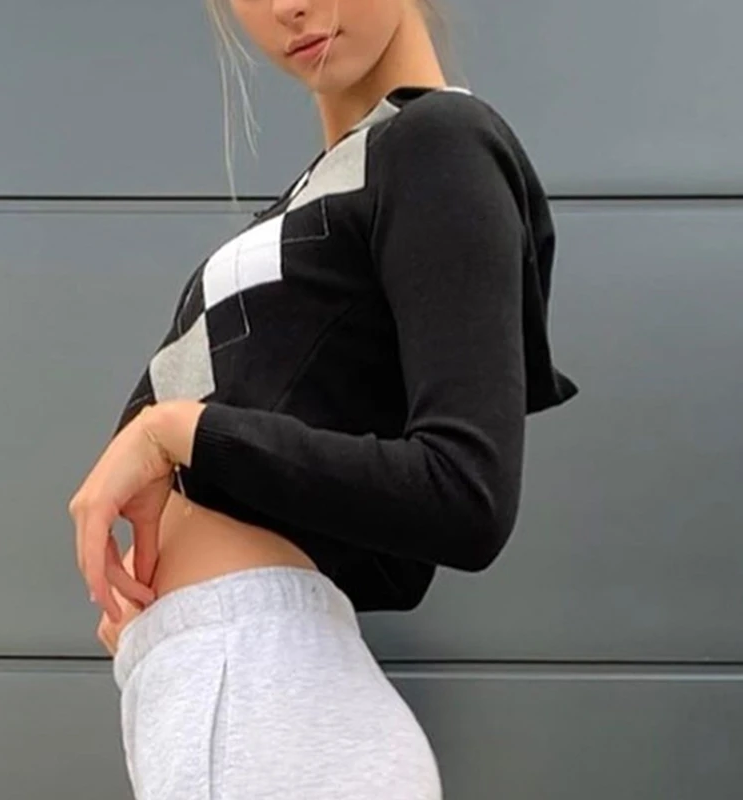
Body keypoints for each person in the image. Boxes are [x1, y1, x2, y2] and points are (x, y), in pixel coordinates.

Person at [68, 0, 579, 797]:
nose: (287, 6)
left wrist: (179, 433)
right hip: (238, 698)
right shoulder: (333, 189)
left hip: (263, 700)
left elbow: (465, 494)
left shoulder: (438, 142)